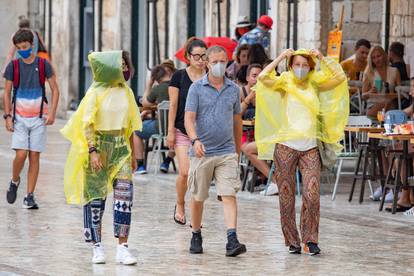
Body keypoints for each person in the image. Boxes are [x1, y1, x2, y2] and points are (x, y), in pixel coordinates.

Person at [256, 48, 349, 255]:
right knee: (286, 197)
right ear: (291, 66)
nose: (300, 69)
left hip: (310, 147)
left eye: (305, 65)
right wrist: (281, 57)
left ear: (310, 68)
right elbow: (263, 77)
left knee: (312, 194)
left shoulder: (316, 83)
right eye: (296, 65)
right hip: (286, 146)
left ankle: (310, 239)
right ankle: (292, 241)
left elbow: (340, 77)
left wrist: (322, 58)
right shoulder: (284, 82)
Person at [61, 50, 141, 265]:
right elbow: (88, 124)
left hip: (120, 147)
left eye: (126, 64)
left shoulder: (127, 93)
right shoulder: (94, 94)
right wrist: (93, 151)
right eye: (120, 63)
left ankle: (123, 247)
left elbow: (131, 126)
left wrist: (133, 154)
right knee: (95, 199)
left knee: (124, 198)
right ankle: (97, 245)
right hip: (99, 146)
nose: (124, 67)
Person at [185, 45, 246, 257]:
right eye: (215, 62)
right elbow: (189, 118)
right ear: (207, 63)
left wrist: (237, 152)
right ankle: (195, 232)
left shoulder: (233, 89)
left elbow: (237, 121)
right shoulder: (196, 89)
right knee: (198, 196)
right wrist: (194, 140)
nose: (219, 65)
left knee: (229, 194)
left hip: (226, 151)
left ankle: (232, 239)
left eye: (223, 61)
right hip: (202, 151)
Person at [3, 29, 60, 209]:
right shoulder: (14, 67)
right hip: (19, 118)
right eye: (19, 48)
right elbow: (6, 92)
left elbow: (55, 89)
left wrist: (52, 112)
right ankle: (14, 180)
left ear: (32, 45)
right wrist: (7, 116)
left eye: (25, 47)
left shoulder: (44, 65)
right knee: (21, 154)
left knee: (34, 155)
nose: (23, 50)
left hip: (38, 118)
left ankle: (29, 196)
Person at [167, 37, 207, 225]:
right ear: (188, 57)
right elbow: (173, 105)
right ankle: (180, 204)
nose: (200, 60)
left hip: (204, 133)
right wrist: (170, 131)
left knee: (199, 175)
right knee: (185, 172)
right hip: (182, 130)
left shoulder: (211, 76)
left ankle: (195, 214)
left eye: (203, 56)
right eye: (196, 56)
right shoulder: (179, 76)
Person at [134, 65, 174, 174]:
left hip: (161, 127)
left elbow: (145, 102)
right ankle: (167, 161)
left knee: (136, 132)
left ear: (156, 78)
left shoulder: (158, 89)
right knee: (179, 136)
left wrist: (149, 85)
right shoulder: (177, 86)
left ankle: (141, 165)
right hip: (176, 127)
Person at [362, 45, 401, 117]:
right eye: (373, 58)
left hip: (390, 105)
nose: (377, 60)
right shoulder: (369, 73)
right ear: (371, 60)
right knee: (386, 107)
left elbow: (401, 94)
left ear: (384, 56)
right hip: (374, 105)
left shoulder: (394, 71)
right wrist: (369, 92)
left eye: (378, 56)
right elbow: (363, 96)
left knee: (389, 104)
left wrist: (393, 95)